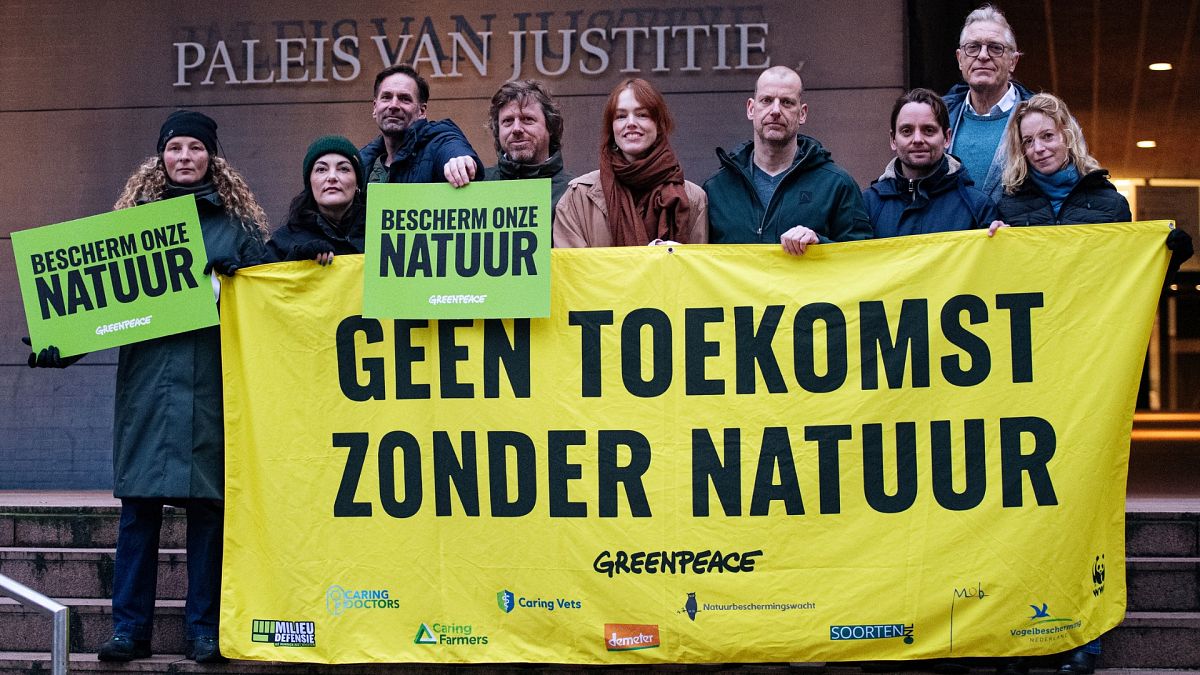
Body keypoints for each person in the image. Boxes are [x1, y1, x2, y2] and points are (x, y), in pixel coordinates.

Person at [25, 110, 269, 664]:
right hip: (147, 389)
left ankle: (204, 629)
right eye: (175, 148)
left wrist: (244, 281)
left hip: (212, 387)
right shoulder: (131, 227)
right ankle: (128, 629)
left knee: (209, 513)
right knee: (139, 512)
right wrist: (58, 348)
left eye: (195, 148)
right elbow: (97, 306)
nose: (185, 157)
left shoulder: (241, 228)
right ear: (161, 157)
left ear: (213, 157)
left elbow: (273, 301)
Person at [989, 93, 1192, 675]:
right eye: (1029, 141)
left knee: (1081, 499)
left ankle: (1084, 631)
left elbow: (1123, 280)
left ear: (1066, 135)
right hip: (1025, 371)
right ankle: (1022, 626)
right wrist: (991, 245)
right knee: (1027, 502)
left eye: (1047, 136)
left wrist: (1165, 258)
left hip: (1084, 373)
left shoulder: (1106, 203)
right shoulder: (1006, 202)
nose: (1040, 148)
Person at [704, 65, 872, 254]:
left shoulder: (836, 184)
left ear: (802, 113)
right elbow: (700, 264)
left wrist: (820, 243)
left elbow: (862, 259)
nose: (775, 110)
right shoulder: (716, 188)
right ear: (751, 109)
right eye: (766, 100)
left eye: (786, 102)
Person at [553, 77, 707, 247]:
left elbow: (700, 271)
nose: (631, 123)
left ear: (659, 124)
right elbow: (573, 271)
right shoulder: (578, 198)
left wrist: (679, 260)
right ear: (611, 127)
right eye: (621, 116)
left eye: (642, 115)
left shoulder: (694, 199)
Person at [862, 88, 996, 237]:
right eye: (907, 131)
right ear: (893, 139)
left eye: (928, 130)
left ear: (947, 137)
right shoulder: (868, 204)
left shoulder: (977, 207)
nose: (918, 139)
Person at [943, 4, 1033, 202]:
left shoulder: (1045, 119)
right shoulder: (937, 119)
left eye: (995, 48)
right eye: (973, 47)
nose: (983, 56)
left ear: (1013, 62)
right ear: (960, 59)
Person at [359, 64, 482, 187]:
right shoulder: (360, 164)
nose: (393, 105)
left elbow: (451, 146)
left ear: (421, 111)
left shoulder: (437, 141)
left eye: (404, 99)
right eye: (386, 97)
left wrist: (459, 161)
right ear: (375, 107)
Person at [268, 135, 366, 264]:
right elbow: (258, 283)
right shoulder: (282, 242)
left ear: (357, 183)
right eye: (321, 169)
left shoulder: (382, 234)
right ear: (310, 182)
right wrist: (293, 264)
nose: (332, 177)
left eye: (343, 169)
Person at [484, 79, 575, 214]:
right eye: (508, 121)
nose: (516, 129)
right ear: (498, 131)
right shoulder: (478, 185)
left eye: (527, 119)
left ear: (550, 126)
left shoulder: (573, 193)